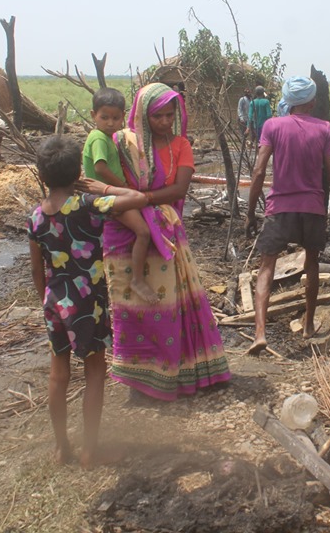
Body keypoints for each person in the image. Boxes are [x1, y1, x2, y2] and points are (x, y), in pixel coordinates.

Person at [104, 82, 231, 401]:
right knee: (130, 305)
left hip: (164, 231)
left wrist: (139, 198)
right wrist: (130, 202)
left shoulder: (181, 145)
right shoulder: (123, 142)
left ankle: (173, 372)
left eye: (170, 115)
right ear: (144, 115)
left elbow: (178, 191)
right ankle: (139, 372)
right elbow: (102, 175)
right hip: (125, 230)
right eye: (158, 115)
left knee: (168, 304)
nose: (164, 122)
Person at [26, 135, 147, 467]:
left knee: (58, 375)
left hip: (55, 302)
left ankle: (61, 448)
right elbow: (137, 197)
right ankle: (90, 451)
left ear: (42, 174)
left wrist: (48, 304)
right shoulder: (86, 206)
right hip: (87, 303)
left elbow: (37, 270)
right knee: (94, 373)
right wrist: (100, 188)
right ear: (79, 170)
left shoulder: (36, 217)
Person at [245, 76, 330, 355]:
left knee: (266, 266)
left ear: (287, 101)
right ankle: (307, 326)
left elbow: (258, 172)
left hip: (280, 209)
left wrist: (250, 212)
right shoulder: (325, 129)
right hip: (313, 207)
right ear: (313, 102)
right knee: (312, 263)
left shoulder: (272, 126)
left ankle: (259, 333)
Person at [82, 88, 157, 304]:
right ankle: (137, 279)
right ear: (93, 115)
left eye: (115, 118)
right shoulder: (98, 138)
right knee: (143, 231)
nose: (110, 123)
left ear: (123, 116)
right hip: (106, 196)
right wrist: (123, 187)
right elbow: (101, 168)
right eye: (104, 117)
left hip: (110, 194)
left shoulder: (107, 137)